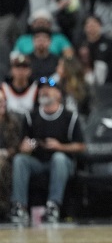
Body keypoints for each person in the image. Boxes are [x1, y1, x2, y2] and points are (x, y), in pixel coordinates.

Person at [9, 77, 85, 225]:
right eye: (42, 88)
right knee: (20, 160)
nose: (44, 91)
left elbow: (81, 146)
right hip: (38, 161)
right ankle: (19, 206)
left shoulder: (69, 117)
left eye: (49, 88)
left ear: (58, 94)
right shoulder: (31, 116)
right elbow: (22, 144)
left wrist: (60, 147)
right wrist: (25, 147)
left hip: (62, 163)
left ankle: (53, 206)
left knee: (59, 158)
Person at [0, 88, 22, 218]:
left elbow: (17, 146)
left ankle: (4, 207)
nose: (2, 104)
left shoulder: (12, 121)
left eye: (3, 101)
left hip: (8, 160)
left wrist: (6, 153)